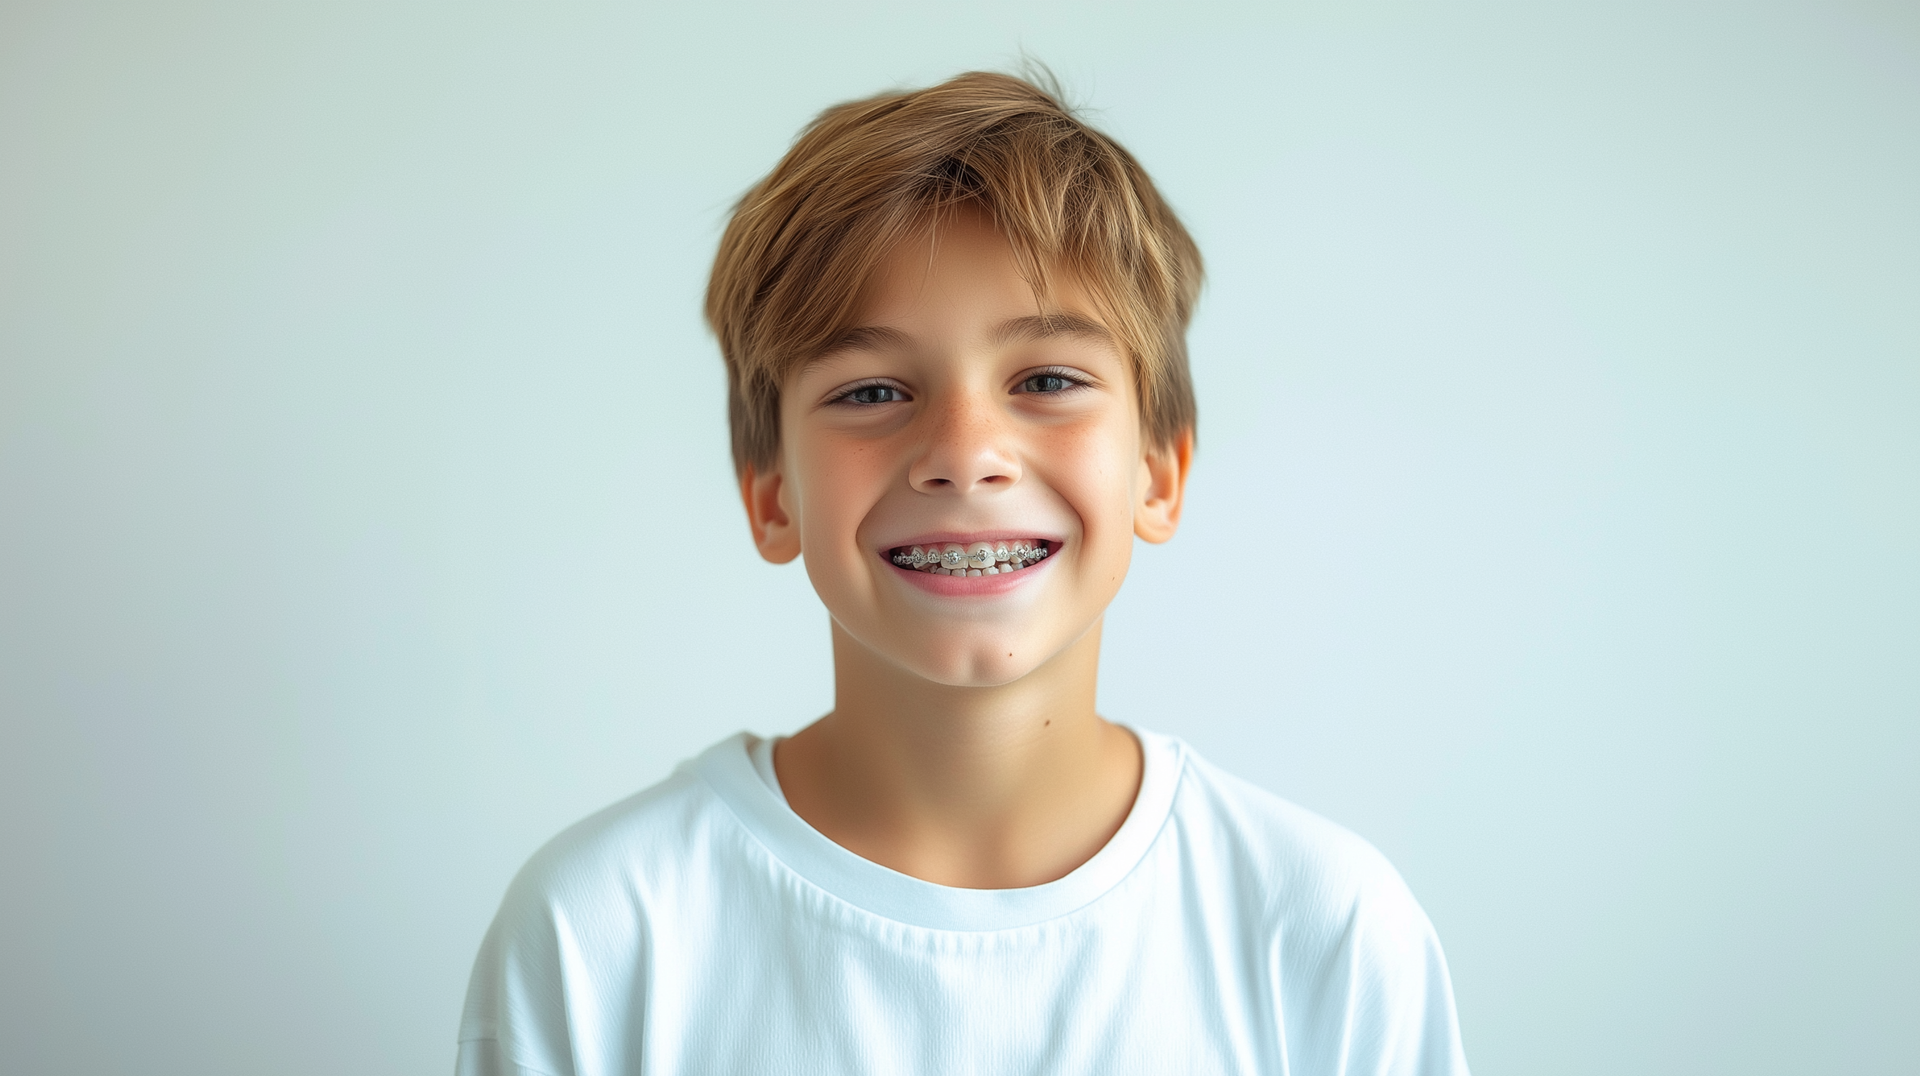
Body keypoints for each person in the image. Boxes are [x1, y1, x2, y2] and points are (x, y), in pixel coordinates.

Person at [456, 70, 1470, 1076]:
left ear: (1158, 473)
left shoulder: (1326, 928)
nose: (964, 450)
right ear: (772, 495)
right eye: (873, 389)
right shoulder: (600, 931)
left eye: (1047, 380)